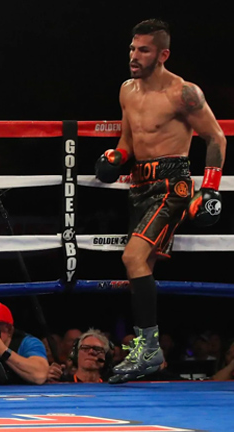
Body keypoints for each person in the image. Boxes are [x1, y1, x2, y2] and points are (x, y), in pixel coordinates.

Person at [94, 19, 227, 383]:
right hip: (139, 186)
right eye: (133, 49)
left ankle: (149, 350)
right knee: (142, 266)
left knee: (132, 256)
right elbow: (127, 141)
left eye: (144, 50)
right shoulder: (127, 90)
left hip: (173, 186)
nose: (134, 56)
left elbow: (215, 137)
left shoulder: (182, 93)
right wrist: (115, 159)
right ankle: (146, 350)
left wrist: (210, 189)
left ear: (162, 54)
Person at [47, 329, 112, 383]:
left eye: (97, 349)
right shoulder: (62, 383)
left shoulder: (112, 385)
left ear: (106, 357)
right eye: (85, 348)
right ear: (75, 355)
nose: (91, 352)